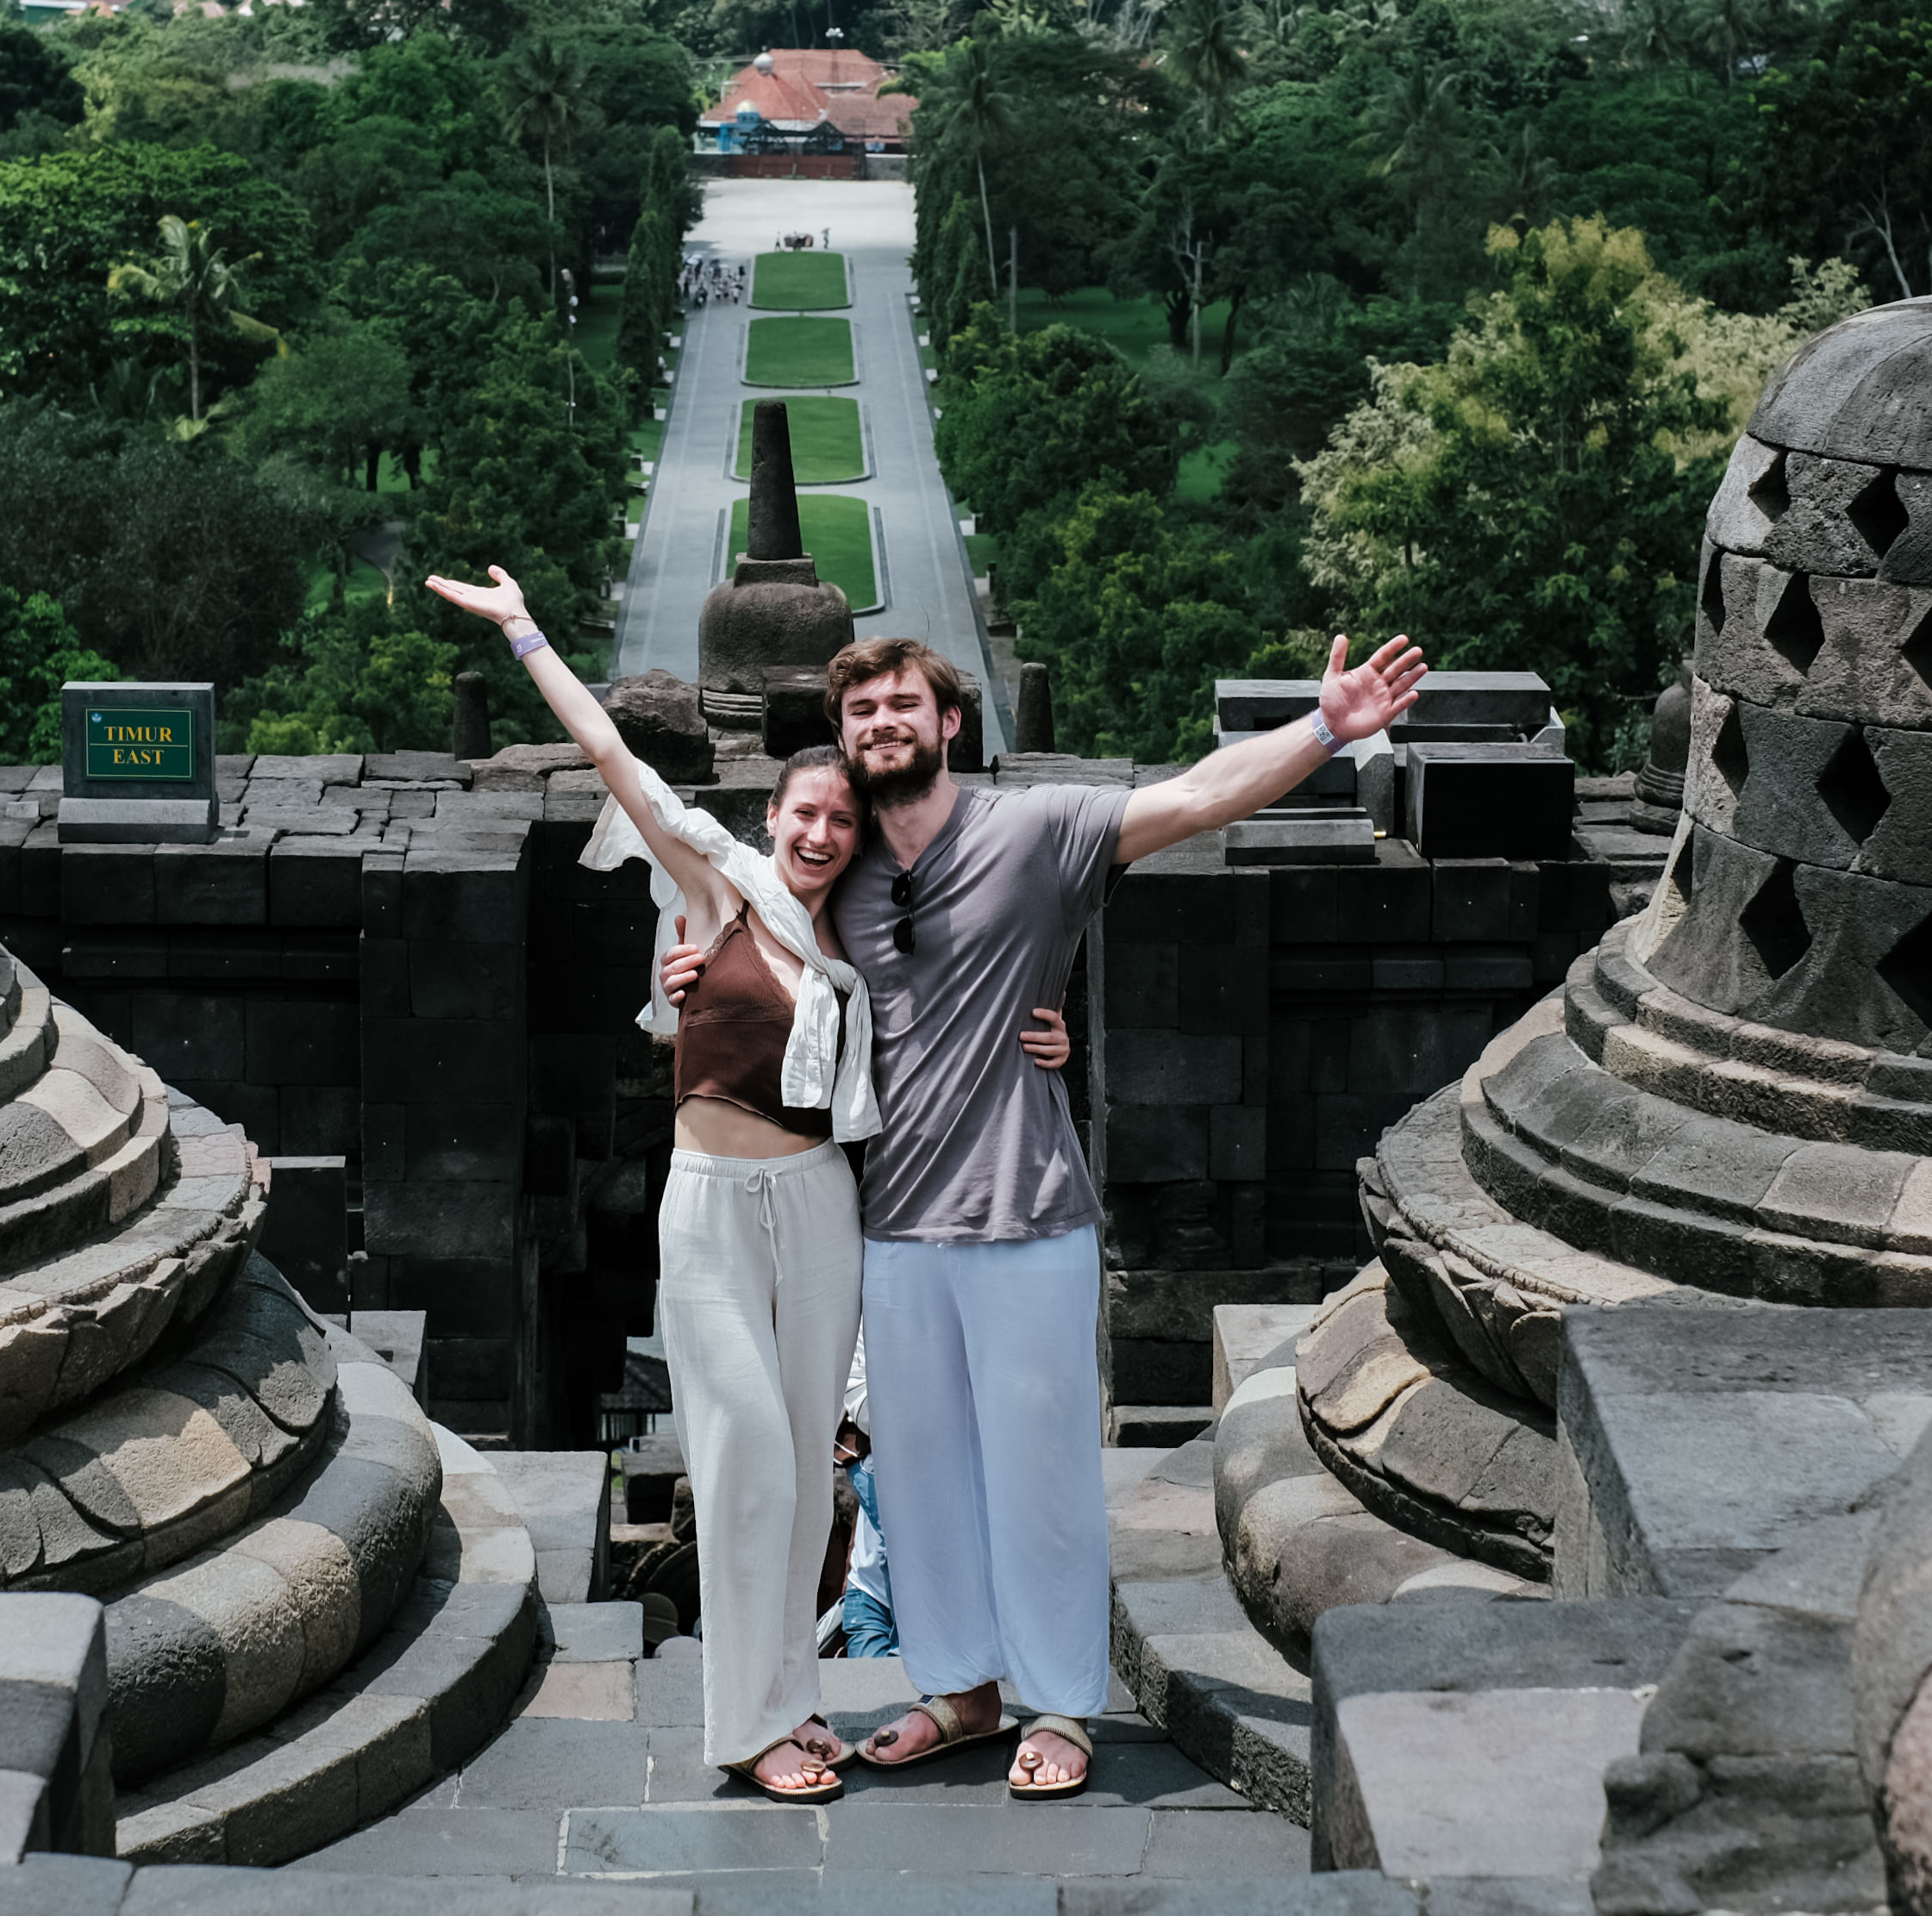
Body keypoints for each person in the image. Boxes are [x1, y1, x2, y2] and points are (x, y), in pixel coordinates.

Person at [669, 628, 1426, 1799]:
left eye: (900, 704)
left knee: (1043, 1474)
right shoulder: (849, 868)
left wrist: (1325, 726)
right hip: (894, 1223)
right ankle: (962, 1691)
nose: (880, 722)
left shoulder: (1034, 829)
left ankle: (1062, 1706)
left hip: (1027, 1217)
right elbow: (747, 937)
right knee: (915, 1483)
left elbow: (1194, 798)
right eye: (860, 707)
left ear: (947, 723)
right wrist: (687, 971)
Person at [422, 566, 1069, 1802]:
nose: (822, 834)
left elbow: (975, 1003)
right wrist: (524, 636)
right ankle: (744, 1724)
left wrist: (1052, 1041)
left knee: (806, 1474)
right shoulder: (722, 892)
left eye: (841, 820)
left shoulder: (869, 945)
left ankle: (792, 1704)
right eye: (804, 815)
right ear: (772, 819)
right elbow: (614, 757)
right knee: (746, 1467)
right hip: (713, 1206)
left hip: (823, 1208)